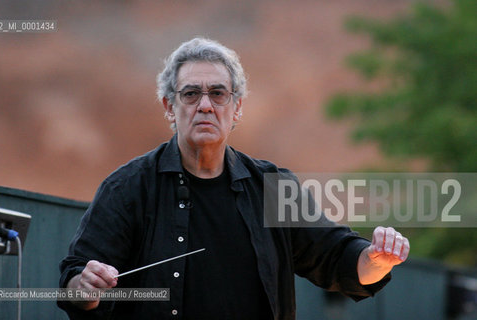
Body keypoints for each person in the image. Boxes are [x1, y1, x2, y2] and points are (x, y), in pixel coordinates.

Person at [58, 37, 410, 320]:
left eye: (218, 93)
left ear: (237, 107)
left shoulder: (273, 187)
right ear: (169, 106)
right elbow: (72, 284)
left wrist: (374, 259)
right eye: (191, 93)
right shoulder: (128, 188)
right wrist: (86, 287)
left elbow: (336, 257)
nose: (205, 105)